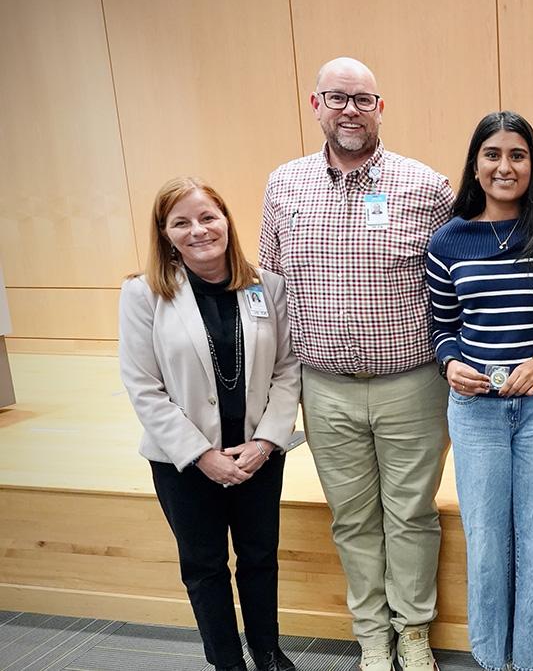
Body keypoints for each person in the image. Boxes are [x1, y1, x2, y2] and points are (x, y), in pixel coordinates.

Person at [258, 57, 453, 671]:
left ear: (380, 107)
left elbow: (456, 285)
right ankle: (372, 635)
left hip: (412, 386)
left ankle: (413, 630)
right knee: (352, 518)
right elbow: (270, 289)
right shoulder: (283, 186)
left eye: (362, 99)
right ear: (315, 104)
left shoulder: (427, 187)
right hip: (325, 389)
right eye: (336, 97)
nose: (349, 109)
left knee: (412, 515)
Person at [425, 110, 533, 671]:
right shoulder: (448, 241)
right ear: (475, 165)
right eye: (492, 155)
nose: (505, 166)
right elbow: (442, 329)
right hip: (475, 414)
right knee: (487, 541)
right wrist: (449, 364)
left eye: (517, 155)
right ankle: (493, 660)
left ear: (532, 164)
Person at [118, 177, 301, 671]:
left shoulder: (268, 286)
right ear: (165, 233)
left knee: (260, 559)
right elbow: (143, 387)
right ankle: (227, 662)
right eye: (182, 222)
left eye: (208, 217)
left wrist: (266, 441)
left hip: (257, 455)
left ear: (226, 220)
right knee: (204, 568)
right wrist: (202, 455)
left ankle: (267, 651)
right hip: (185, 463)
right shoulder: (143, 294)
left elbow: (287, 370)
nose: (198, 230)